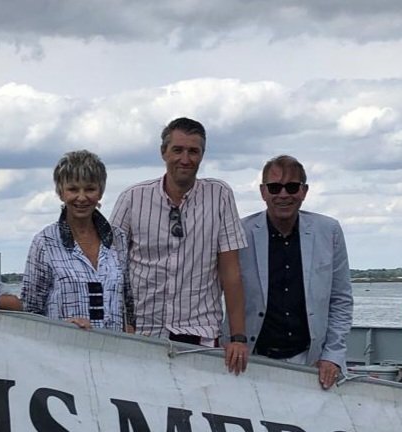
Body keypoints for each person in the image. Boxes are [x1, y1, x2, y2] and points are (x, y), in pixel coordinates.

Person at [110, 117, 249, 374]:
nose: (185, 159)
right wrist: (122, 324)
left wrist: (238, 338)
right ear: (164, 152)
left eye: (193, 151)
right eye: (178, 150)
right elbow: (111, 269)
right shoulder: (132, 198)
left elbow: (231, 272)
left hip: (199, 334)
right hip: (142, 332)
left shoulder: (220, 196)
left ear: (202, 155)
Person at [238, 155, 353, 389]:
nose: (283, 194)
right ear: (263, 192)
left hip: (311, 362)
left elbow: (341, 299)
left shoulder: (329, 232)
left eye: (292, 187)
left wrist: (332, 356)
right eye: (274, 187)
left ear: (304, 191)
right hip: (253, 358)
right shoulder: (241, 233)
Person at [21, 150, 132, 331]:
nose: (81, 197)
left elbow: (128, 300)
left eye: (89, 189)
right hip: (63, 350)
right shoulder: (45, 242)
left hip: (114, 352)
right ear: (61, 193)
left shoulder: (118, 239)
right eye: (73, 189)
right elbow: (29, 310)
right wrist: (61, 326)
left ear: (100, 192)